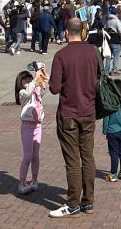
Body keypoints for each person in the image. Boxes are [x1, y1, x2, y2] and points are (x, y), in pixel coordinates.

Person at [48, 18, 101, 218]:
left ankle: (72, 203)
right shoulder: (92, 52)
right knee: (88, 157)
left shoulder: (61, 55)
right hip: (89, 111)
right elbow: (98, 77)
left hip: (69, 113)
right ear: (83, 31)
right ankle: (88, 202)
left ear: (66, 32)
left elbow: (54, 88)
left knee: (72, 160)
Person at [16, 61, 47, 194]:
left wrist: (43, 75)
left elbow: (46, 87)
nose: (29, 82)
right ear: (20, 83)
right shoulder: (23, 93)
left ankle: (34, 180)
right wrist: (34, 79)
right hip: (27, 127)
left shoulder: (36, 91)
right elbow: (28, 92)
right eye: (25, 80)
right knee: (27, 156)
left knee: (35, 156)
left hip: (38, 126)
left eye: (29, 79)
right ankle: (22, 182)